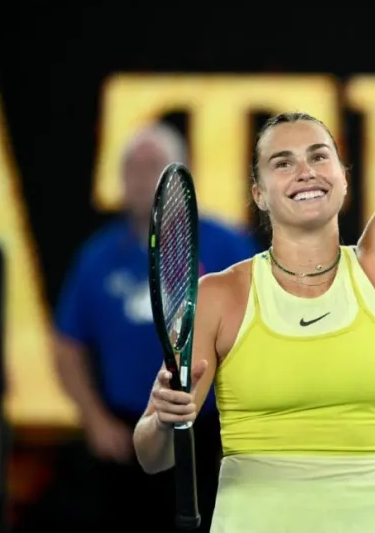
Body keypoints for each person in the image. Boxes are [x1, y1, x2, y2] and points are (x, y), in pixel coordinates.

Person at [133, 0, 375, 532]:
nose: (304, 171)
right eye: (282, 161)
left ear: (344, 177)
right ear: (259, 192)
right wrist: (156, 419)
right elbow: (152, 458)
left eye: (319, 155)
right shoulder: (219, 297)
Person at [53, 123, 258, 531]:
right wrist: (94, 419)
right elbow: (66, 344)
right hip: (127, 434)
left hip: (210, 431)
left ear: (180, 174)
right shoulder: (98, 258)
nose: (142, 178)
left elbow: (260, 328)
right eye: (132, 167)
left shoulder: (226, 246)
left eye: (153, 167)